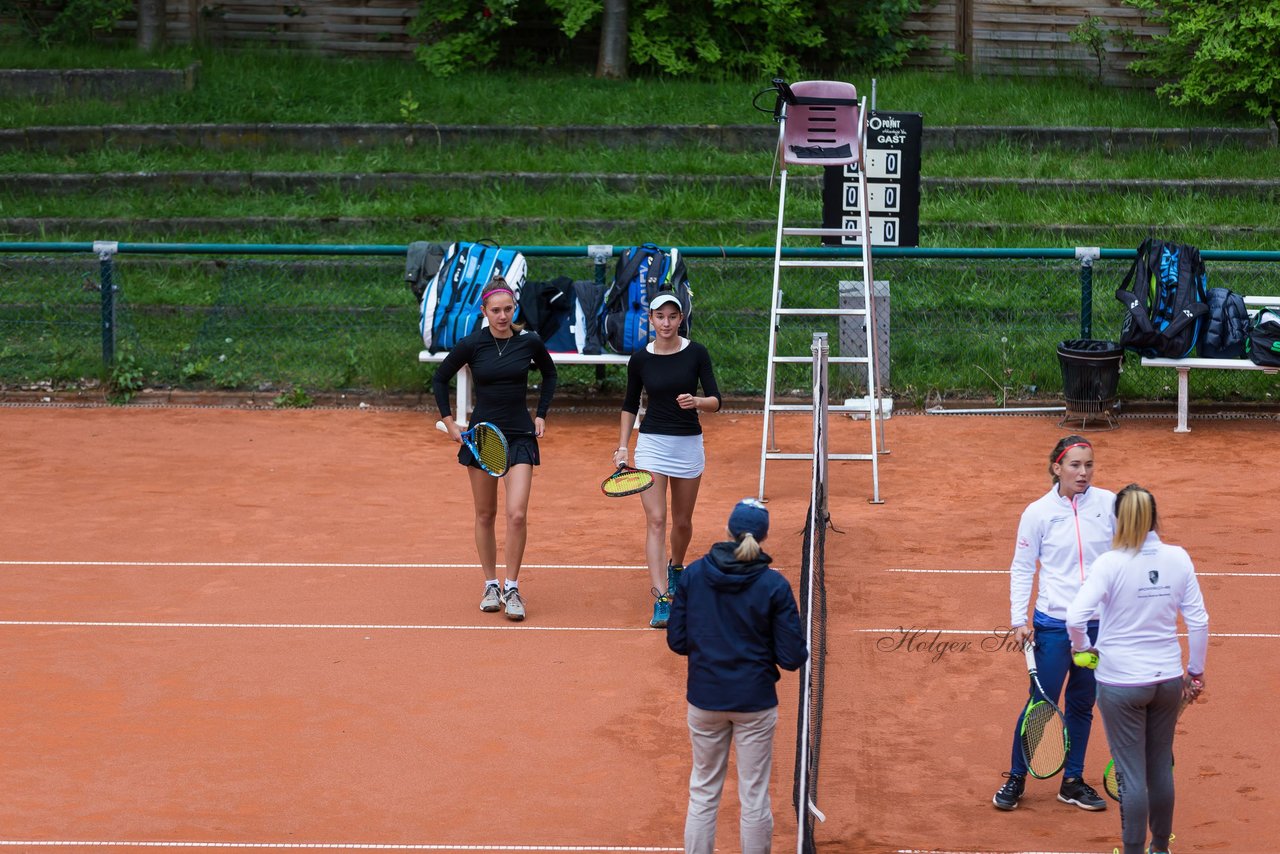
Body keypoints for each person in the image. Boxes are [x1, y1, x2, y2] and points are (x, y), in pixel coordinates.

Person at [1066, 485, 1208, 854]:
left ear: (1117, 519)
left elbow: (1075, 617)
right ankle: (1160, 848)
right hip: (1166, 680)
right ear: (1154, 517)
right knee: (1159, 766)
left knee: (1131, 775)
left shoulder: (1110, 563)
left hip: (1121, 683)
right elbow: (1199, 621)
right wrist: (1194, 672)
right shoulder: (1178, 558)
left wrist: (1083, 650)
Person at [666, 498, 807, 854]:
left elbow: (678, 641)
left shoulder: (694, 575)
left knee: (703, 791)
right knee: (754, 795)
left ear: (728, 531)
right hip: (755, 703)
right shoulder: (774, 587)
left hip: (705, 699)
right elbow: (792, 658)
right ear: (763, 538)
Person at [993, 434, 1116, 812]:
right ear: (1056, 468)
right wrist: (1019, 619)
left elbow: (1125, 556)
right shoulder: (1037, 513)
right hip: (1053, 624)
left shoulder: (1109, 504)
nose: (1083, 473)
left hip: (1096, 626)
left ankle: (1073, 781)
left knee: (1082, 705)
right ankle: (1017, 776)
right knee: (1041, 705)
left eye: (1089, 465)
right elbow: (1022, 567)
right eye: (1075, 465)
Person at [432, 278, 557, 622]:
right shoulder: (472, 344)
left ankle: (512, 587)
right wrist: (451, 422)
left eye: (508, 309)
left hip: (519, 437)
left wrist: (542, 414)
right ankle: (490, 585)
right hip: (483, 438)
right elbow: (440, 378)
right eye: (496, 310)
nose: (503, 316)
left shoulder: (529, 342)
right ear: (484, 311)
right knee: (485, 514)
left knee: (516, 514)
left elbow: (550, 374)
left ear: (514, 308)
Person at [614, 292, 722, 628]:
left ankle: (677, 566)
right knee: (656, 520)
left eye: (672, 316)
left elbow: (717, 400)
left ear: (680, 319)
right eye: (660, 316)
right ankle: (661, 598)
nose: (666, 322)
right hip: (652, 445)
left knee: (682, 522)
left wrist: (698, 403)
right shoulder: (640, 360)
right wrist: (623, 446)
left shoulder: (697, 353)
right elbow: (630, 405)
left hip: (688, 445)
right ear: (651, 318)